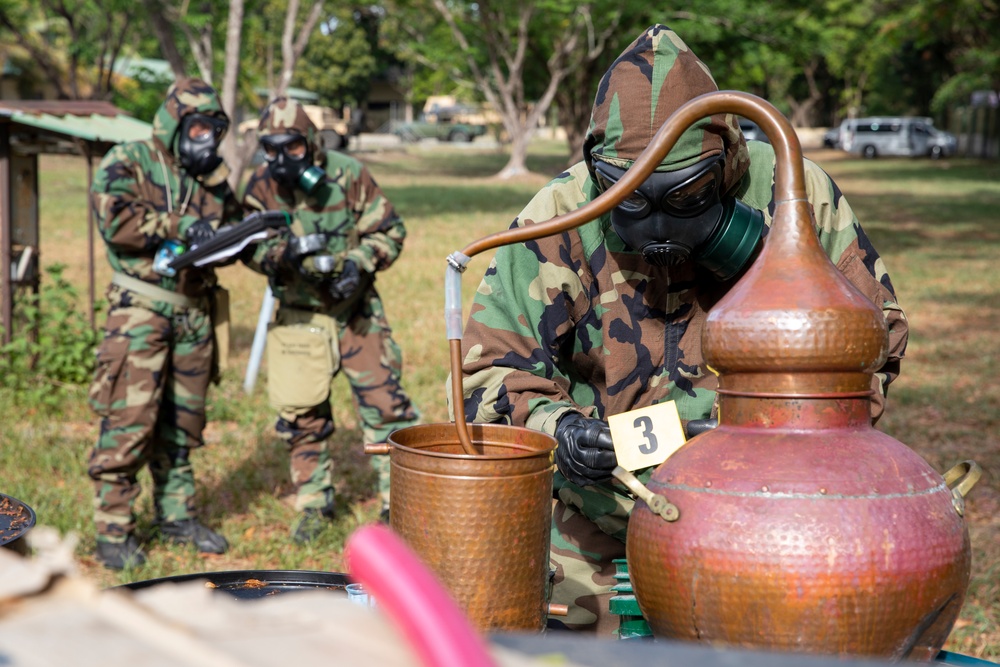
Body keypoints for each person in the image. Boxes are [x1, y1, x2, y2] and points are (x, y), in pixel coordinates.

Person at [455, 25, 908, 635]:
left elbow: (873, 346)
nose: (660, 229)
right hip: (599, 527)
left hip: (768, 525)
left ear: (725, 165)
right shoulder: (560, 217)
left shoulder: (793, 194)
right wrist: (556, 430)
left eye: (688, 197)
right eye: (634, 202)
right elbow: (489, 368)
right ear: (601, 178)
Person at [241, 98, 421, 543]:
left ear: (313, 144)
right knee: (303, 415)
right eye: (272, 149)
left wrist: (359, 263)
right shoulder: (260, 187)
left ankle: (395, 505)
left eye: (294, 149)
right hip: (299, 318)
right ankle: (314, 502)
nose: (282, 160)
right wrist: (288, 256)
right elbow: (248, 247)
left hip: (356, 315)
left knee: (386, 410)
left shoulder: (347, 173)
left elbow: (390, 230)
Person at [87, 77, 242, 569]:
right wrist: (177, 226)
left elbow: (234, 223)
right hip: (142, 312)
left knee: (183, 422)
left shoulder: (206, 174)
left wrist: (217, 181)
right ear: (175, 123)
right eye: (197, 128)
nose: (205, 139)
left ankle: (176, 516)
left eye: (214, 130)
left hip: (194, 311)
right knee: (130, 422)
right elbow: (116, 221)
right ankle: (113, 529)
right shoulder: (128, 159)